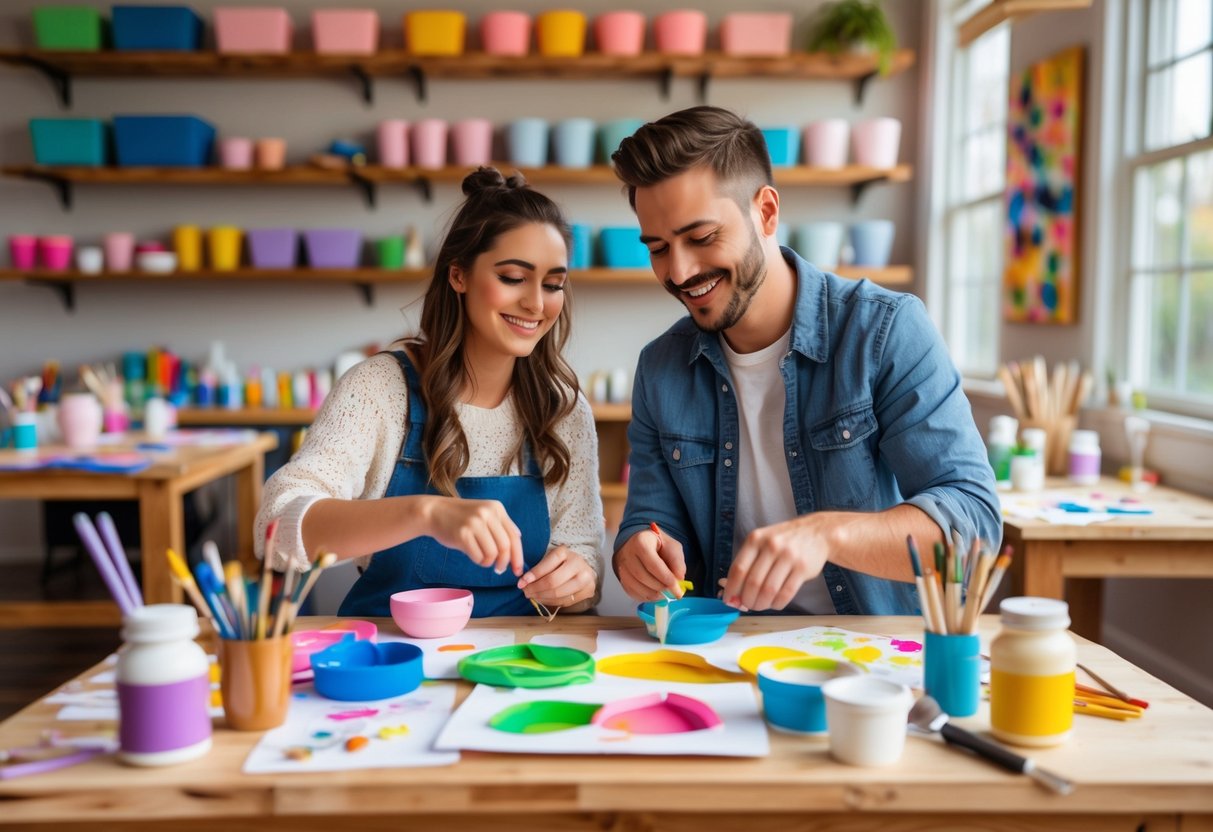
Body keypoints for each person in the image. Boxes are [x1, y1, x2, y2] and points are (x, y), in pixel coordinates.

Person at [609, 106, 1000, 615]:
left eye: (702, 238)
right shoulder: (661, 368)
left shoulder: (885, 331)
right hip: (725, 654)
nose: (679, 270)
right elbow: (652, 516)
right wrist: (637, 548)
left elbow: (974, 530)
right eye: (658, 248)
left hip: (872, 658)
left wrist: (827, 535)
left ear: (766, 212)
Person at [256, 167, 604, 617]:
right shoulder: (379, 391)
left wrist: (579, 580)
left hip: (517, 665)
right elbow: (275, 529)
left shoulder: (564, 410)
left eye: (553, 284)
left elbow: (585, 559)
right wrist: (425, 514)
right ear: (458, 276)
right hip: (394, 661)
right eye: (514, 278)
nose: (537, 304)